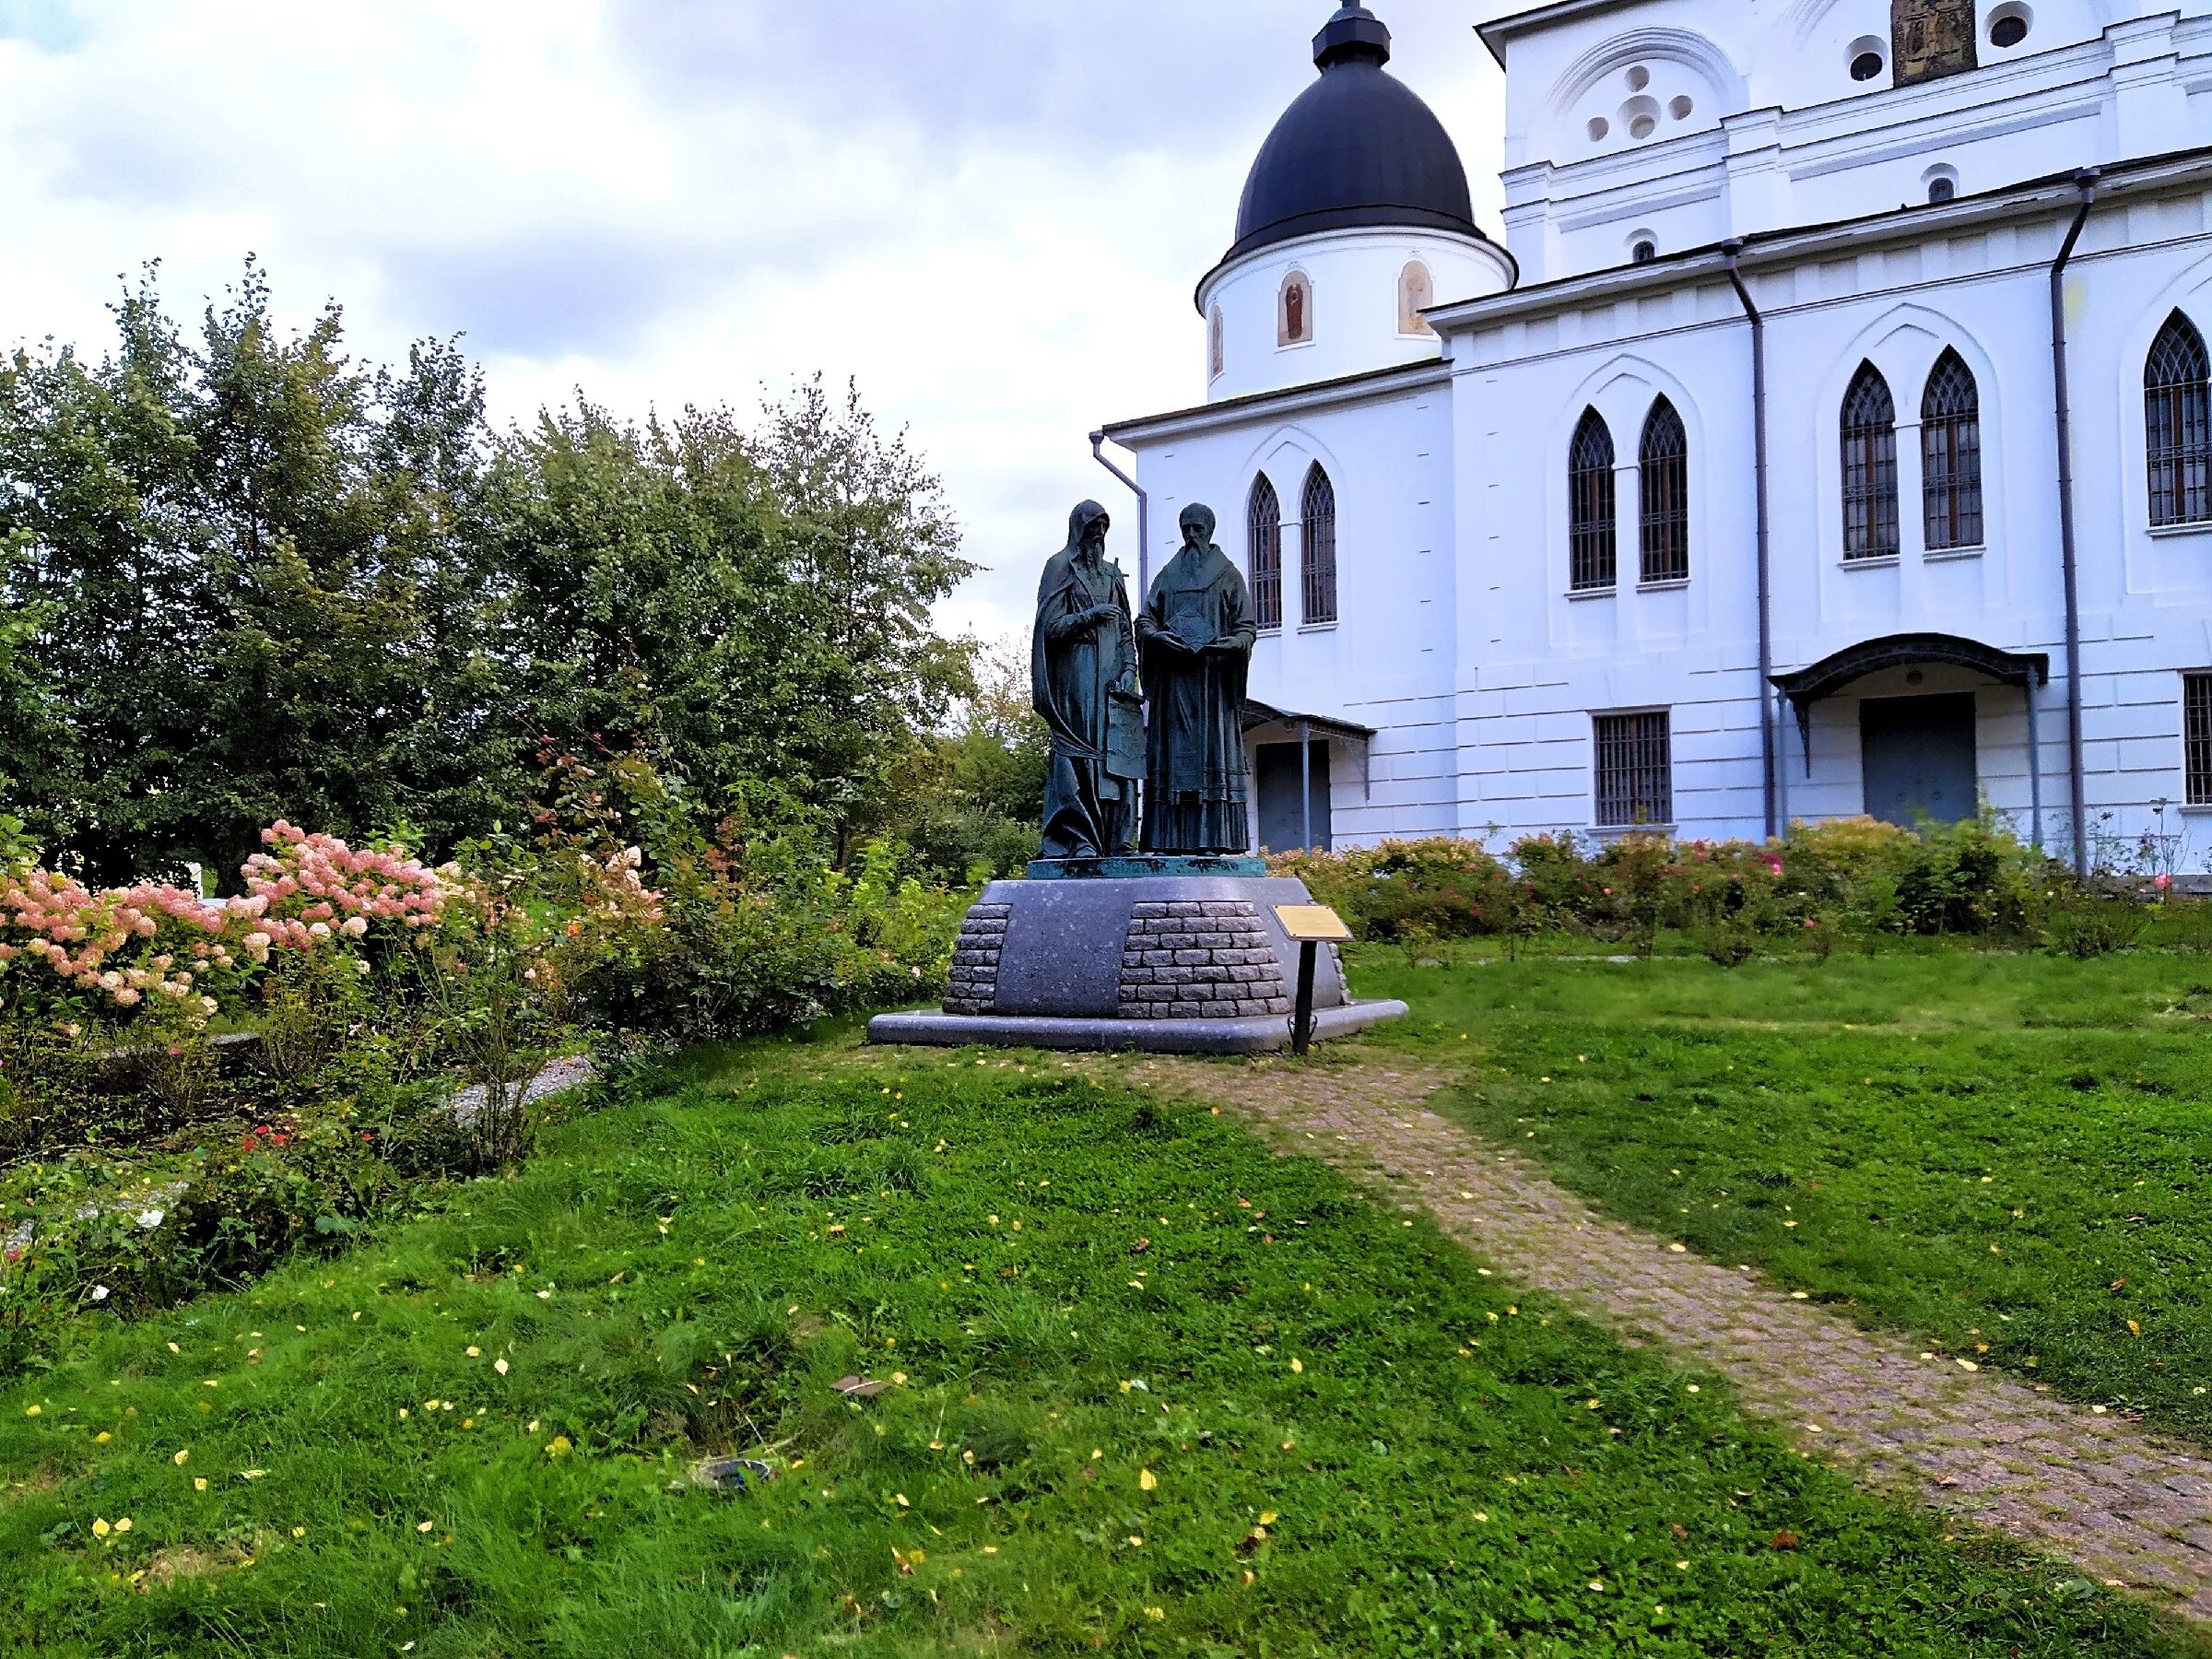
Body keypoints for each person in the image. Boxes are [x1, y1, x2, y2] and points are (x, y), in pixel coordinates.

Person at [1138, 503, 1257, 853]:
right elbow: (1146, 619)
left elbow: (1246, 627)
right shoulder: (1168, 575)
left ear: (1210, 530)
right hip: (1175, 684)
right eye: (1186, 529)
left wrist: (1232, 643)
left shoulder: (1228, 575)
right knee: (1172, 758)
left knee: (1212, 759)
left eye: (1197, 529)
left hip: (1212, 683)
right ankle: (1167, 841)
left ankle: (1213, 840)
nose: (1191, 536)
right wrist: (1156, 637)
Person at [1031, 500, 1140, 858]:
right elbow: (1050, 627)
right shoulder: (1059, 567)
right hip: (1076, 677)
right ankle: (1079, 839)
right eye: (1093, 529)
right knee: (1078, 753)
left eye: (1103, 530)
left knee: (1118, 754)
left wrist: (1129, 669)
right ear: (1079, 529)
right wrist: (1090, 616)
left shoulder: (1111, 575)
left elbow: (1126, 631)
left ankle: (1118, 838)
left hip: (1112, 677)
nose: (1099, 537)